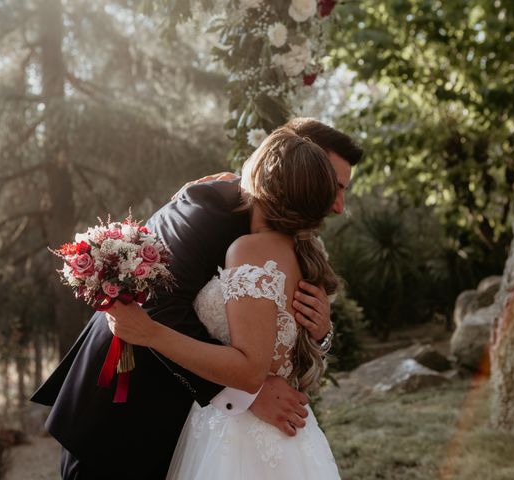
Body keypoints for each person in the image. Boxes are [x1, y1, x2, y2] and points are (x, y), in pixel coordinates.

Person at [31, 117, 362, 479]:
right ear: (295, 159)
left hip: (202, 432)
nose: (338, 205)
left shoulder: (295, 240)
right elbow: (157, 307)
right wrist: (249, 389)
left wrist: (320, 330)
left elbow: (274, 329)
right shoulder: (207, 209)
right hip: (126, 415)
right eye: (335, 185)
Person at [106, 127, 341, 478]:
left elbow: (249, 370)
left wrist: (150, 332)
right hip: (278, 432)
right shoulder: (303, 253)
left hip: (240, 435)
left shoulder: (248, 250)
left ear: (261, 178)